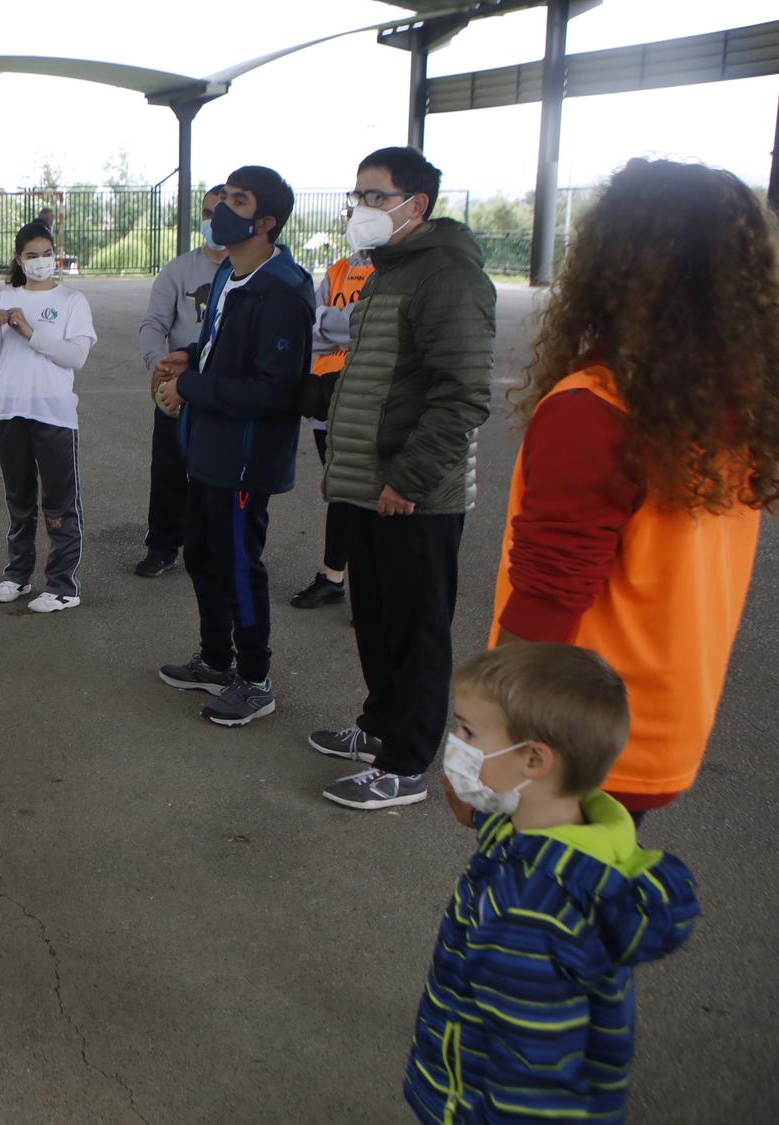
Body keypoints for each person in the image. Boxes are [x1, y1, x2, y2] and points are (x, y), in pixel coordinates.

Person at [488, 158, 774, 821]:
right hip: (659, 730)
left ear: (611, 265)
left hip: (567, 749)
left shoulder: (597, 409)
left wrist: (491, 748)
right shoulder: (732, 404)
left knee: (526, 921)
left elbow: (547, 603)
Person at [405, 644, 698, 1124]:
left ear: (534, 761)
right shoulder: (575, 834)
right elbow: (489, 822)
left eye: (467, 731)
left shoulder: (527, 916)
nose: (453, 745)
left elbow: (533, 1077)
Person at [311, 146, 495, 811]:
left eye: (374, 196)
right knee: (379, 618)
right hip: (369, 481)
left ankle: (407, 761)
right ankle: (378, 726)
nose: (360, 207)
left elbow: (464, 393)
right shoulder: (388, 270)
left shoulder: (447, 275)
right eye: (356, 195)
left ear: (415, 205)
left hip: (414, 493)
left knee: (417, 629)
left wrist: (410, 478)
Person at [151, 165, 312, 727]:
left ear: (265, 222)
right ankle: (217, 659)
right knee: (203, 555)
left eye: (237, 201)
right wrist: (189, 357)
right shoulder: (229, 275)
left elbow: (274, 389)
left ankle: (256, 678)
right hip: (209, 447)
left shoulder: (283, 290)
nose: (221, 206)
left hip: (246, 459)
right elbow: (220, 342)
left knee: (240, 566)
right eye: (222, 195)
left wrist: (189, 385)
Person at [0, 222, 97, 614]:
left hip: (53, 413)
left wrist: (29, 331)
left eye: (47, 253)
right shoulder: (4, 296)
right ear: (19, 259)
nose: (41, 261)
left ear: (55, 255)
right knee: (19, 499)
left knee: (60, 502)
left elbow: (75, 356)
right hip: (7, 410)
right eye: (32, 255)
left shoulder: (72, 301)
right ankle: (18, 574)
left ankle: (63, 584)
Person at [134, 184, 227, 578]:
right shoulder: (178, 271)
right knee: (170, 469)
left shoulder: (248, 274)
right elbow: (153, 325)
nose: (212, 222)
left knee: (222, 473)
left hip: (223, 390)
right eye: (206, 214)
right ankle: (163, 545)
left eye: (220, 213)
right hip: (176, 389)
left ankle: (217, 546)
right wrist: (161, 368)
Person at [289, 239, 375, 609]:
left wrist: (331, 324)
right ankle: (333, 577)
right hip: (324, 395)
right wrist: (337, 326)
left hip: (364, 396)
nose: (356, 214)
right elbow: (313, 326)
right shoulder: (340, 268)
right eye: (354, 204)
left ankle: (369, 593)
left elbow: (372, 328)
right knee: (340, 489)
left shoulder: (389, 273)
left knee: (364, 496)